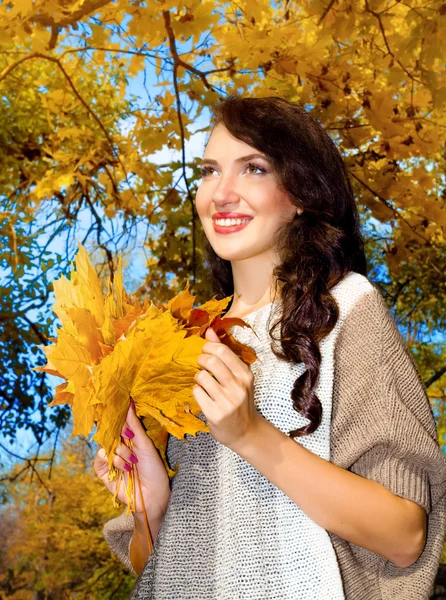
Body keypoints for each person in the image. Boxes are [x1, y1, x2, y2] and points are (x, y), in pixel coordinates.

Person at [94, 95, 446, 599]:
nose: (222, 192)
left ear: (301, 191)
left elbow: (405, 535)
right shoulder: (176, 344)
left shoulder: (345, 309)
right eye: (211, 170)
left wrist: (250, 434)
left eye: (253, 169)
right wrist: (153, 508)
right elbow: (160, 567)